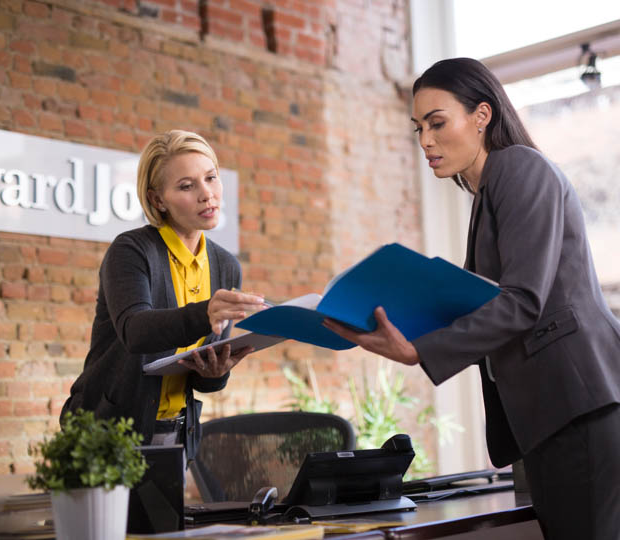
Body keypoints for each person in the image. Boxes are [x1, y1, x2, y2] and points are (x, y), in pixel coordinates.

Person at [323, 58, 620, 539]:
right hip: (557, 413)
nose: (425, 141)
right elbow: (481, 302)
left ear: (482, 115)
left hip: (577, 403)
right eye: (418, 128)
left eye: (438, 123)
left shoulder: (518, 167)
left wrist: (420, 349)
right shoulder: (488, 191)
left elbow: (523, 301)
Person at [62, 129, 267, 462]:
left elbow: (203, 378)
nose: (207, 194)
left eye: (211, 178)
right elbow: (135, 330)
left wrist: (216, 371)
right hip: (106, 431)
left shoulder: (226, 266)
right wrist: (205, 313)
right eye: (186, 186)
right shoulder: (131, 250)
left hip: (176, 435)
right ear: (157, 199)